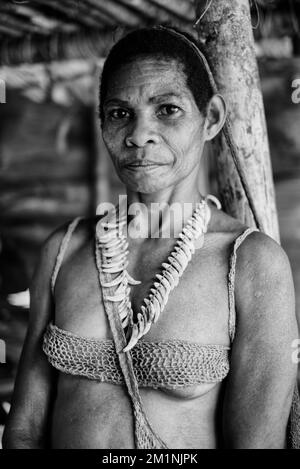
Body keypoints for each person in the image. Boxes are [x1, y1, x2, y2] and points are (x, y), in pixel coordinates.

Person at [2, 26, 299, 449]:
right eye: (120, 113)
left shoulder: (249, 263)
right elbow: (24, 429)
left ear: (211, 118)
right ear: (102, 122)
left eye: (167, 109)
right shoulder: (64, 250)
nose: (139, 134)